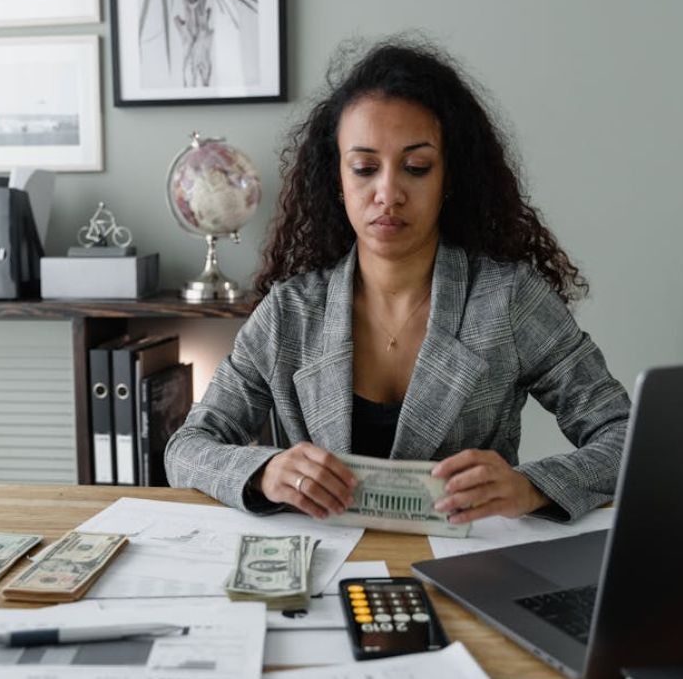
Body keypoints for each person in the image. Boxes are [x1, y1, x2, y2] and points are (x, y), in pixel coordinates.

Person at [164, 39, 629, 525]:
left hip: (466, 572)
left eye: (416, 167)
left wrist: (531, 486)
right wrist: (265, 470)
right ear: (337, 180)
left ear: (449, 177)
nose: (388, 193)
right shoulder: (289, 313)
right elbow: (187, 448)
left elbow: (625, 435)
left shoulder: (508, 299)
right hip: (322, 575)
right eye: (364, 168)